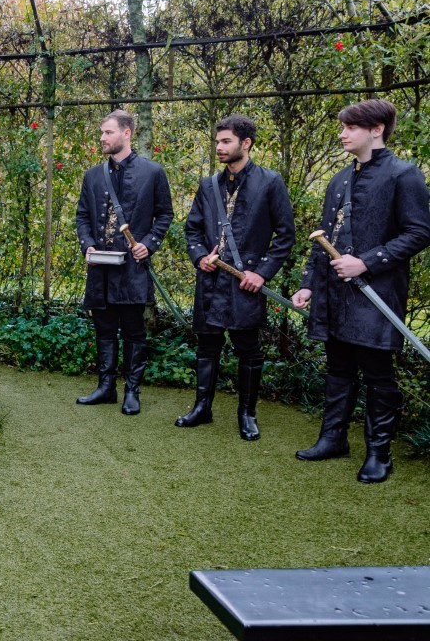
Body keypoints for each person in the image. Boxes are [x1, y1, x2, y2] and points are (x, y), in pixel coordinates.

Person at [293, 99, 430, 483]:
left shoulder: (404, 175)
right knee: (338, 368)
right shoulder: (339, 180)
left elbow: (420, 232)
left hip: (377, 292)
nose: (342, 134)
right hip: (334, 294)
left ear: (376, 129)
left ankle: (379, 454)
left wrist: (366, 262)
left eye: (350, 127)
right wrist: (308, 285)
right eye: (343, 127)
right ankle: (333, 439)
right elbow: (323, 238)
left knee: (377, 373)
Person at [179, 115, 295, 440]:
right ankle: (202, 408)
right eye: (217, 141)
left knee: (248, 349)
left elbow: (286, 235)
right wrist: (200, 257)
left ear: (246, 143)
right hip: (210, 281)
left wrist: (262, 273)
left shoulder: (270, 182)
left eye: (226, 141)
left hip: (245, 283)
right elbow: (192, 229)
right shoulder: (208, 186)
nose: (219, 147)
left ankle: (247, 415)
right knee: (207, 346)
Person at [75, 110, 174, 415]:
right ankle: (106, 388)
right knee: (103, 329)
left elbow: (165, 215)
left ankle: (132, 391)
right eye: (102, 132)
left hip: (132, 268)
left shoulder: (153, 172)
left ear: (127, 133)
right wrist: (88, 246)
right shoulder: (93, 175)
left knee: (133, 332)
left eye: (108, 132)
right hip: (100, 268)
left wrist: (149, 244)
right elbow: (82, 216)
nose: (102, 138)